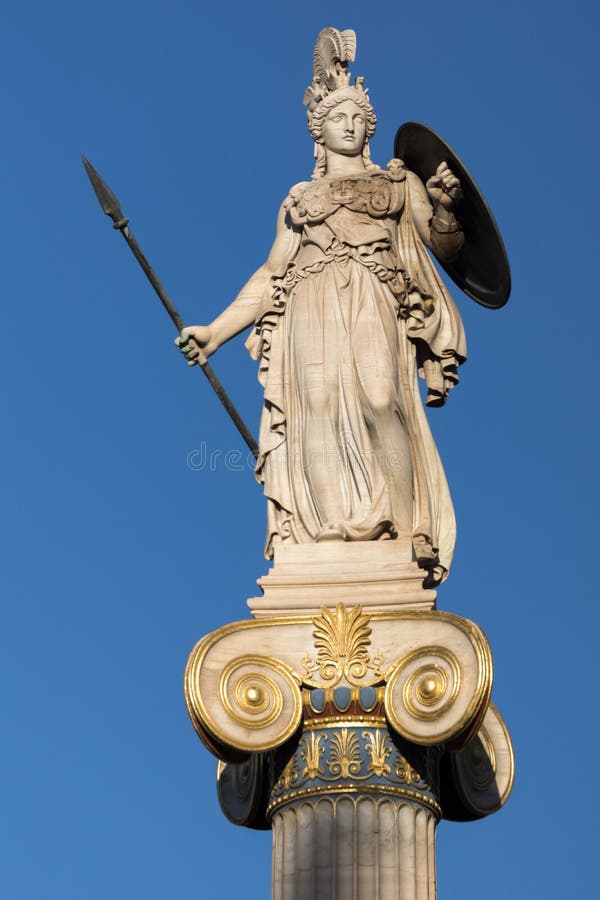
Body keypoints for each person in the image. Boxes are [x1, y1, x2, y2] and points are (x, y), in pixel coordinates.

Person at [177, 28, 466, 584]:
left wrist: (448, 206)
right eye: (339, 117)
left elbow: (444, 244)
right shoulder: (299, 200)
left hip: (372, 292)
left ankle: (405, 526)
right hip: (308, 298)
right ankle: (327, 529)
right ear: (319, 128)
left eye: (359, 117)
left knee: (382, 401)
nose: (351, 125)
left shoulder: (397, 184)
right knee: (313, 403)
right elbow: (271, 273)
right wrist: (217, 330)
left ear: (369, 127)